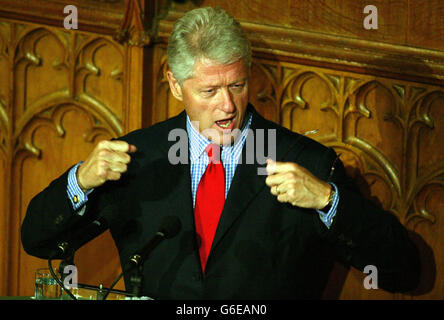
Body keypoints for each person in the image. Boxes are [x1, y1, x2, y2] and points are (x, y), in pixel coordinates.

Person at [21, 7, 420, 299]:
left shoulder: (305, 162)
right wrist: (81, 180)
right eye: (209, 91)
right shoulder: (138, 158)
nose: (227, 106)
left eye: (238, 85)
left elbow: (404, 271)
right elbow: (36, 240)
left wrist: (328, 200)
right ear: (175, 85)